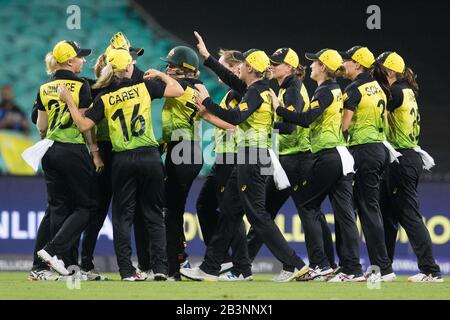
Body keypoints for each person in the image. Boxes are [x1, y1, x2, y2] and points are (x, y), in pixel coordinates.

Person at [181, 33, 310, 282]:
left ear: (250, 68)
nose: (238, 67)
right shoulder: (257, 89)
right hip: (252, 157)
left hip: (253, 158)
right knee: (229, 211)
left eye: (243, 65)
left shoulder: (255, 93)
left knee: (257, 215)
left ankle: (294, 264)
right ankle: (210, 267)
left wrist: (206, 102)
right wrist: (207, 57)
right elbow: (231, 79)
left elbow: (235, 119)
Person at [58, 48, 184, 281]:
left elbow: (84, 125)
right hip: (149, 156)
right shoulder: (145, 87)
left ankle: (126, 271)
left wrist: (69, 102)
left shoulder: (105, 98)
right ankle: (160, 269)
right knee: (154, 215)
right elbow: (178, 89)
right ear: (129, 67)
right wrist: (162, 74)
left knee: (122, 218)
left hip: (122, 159)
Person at [245, 48, 337, 278]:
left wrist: (265, 126)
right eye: (272, 62)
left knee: (281, 212)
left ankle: (318, 265)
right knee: (301, 212)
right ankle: (323, 264)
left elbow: (290, 126)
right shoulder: (288, 88)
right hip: (292, 158)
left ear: (290, 68)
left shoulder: (292, 89)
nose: (272, 66)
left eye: (277, 63)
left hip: (295, 159)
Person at [274, 49, 364, 282]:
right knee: (345, 215)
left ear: (323, 67)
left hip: (329, 155)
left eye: (314, 62)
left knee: (307, 206)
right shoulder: (335, 90)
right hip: (342, 155)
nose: (311, 66)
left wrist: (278, 109)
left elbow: (304, 120)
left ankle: (320, 265)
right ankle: (352, 269)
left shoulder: (325, 91)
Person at [79, 32, 149, 281]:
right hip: (116, 152)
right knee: (113, 211)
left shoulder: (99, 85)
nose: (133, 61)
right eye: (130, 56)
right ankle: (90, 264)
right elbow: (89, 126)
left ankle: (88, 264)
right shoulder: (107, 86)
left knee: (108, 210)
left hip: (116, 152)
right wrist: (96, 153)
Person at [373, 51, 443, 282]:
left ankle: (430, 270)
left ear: (391, 72)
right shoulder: (406, 90)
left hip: (402, 159)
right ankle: (385, 269)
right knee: (387, 216)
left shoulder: (396, 92)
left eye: (380, 67)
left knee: (408, 216)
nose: (376, 71)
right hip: (401, 158)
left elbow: (375, 109)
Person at [34, 40, 101, 276]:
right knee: (87, 206)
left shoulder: (44, 87)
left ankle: (56, 265)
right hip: (72, 149)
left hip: (50, 150)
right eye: (80, 57)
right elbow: (84, 125)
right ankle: (53, 252)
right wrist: (94, 152)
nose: (83, 60)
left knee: (59, 207)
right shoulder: (81, 86)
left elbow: (41, 126)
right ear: (70, 61)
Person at [195, 48, 252, 281]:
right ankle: (228, 261)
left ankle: (239, 266)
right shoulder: (232, 92)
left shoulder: (241, 93)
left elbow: (235, 126)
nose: (220, 72)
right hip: (223, 156)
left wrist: (207, 115)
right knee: (206, 206)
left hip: (233, 157)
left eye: (223, 66)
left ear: (236, 67)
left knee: (231, 213)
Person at [340, 46, 396, 282]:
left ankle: (382, 269)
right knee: (367, 208)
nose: (343, 63)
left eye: (347, 60)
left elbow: (343, 126)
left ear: (358, 65)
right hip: (379, 149)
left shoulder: (354, 89)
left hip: (363, 150)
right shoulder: (379, 88)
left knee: (367, 209)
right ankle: (376, 267)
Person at [159, 46, 206, 280]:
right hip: (189, 148)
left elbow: (163, 89)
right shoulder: (199, 88)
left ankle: (175, 264)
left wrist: (155, 75)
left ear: (185, 69)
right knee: (173, 210)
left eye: (172, 66)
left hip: (182, 150)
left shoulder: (178, 88)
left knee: (172, 211)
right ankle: (178, 260)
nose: (167, 69)